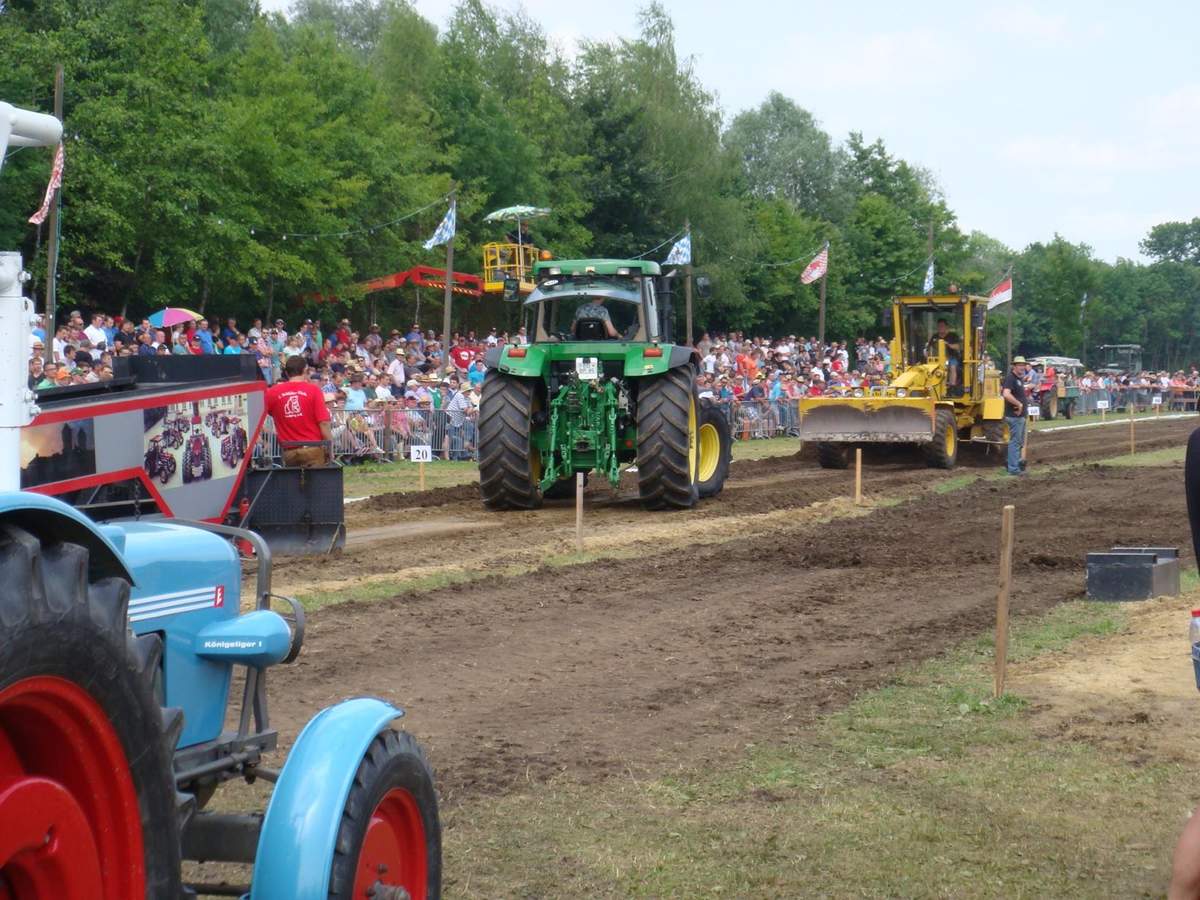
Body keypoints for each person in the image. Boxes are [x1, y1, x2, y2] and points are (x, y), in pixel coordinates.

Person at [266, 355, 333, 467]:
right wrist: (330, 447)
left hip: (289, 452)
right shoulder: (314, 390)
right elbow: (324, 423)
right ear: (305, 370)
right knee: (316, 478)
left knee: (293, 478)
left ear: (286, 373)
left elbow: (258, 417)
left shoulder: (272, 392)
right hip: (312, 449)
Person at [1002, 356, 1029, 476]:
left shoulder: (1019, 379)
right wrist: (1019, 404)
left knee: (1018, 442)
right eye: (1019, 365)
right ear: (1014, 366)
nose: (1022, 367)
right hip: (1014, 416)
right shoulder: (1011, 378)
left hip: (1019, 416)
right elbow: (1006, 394)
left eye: (1023, 365)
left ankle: (1014, 465)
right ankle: (1013, 468)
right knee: (1015, 442)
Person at [927, 318, 961, 389]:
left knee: (952, 367)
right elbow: (929, 348)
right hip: (937, 358)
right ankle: (932, 386)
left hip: (951, 357)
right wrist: (927, 354)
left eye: (942, 326)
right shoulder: (935, 337)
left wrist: (948, 344)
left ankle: (952, 386)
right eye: (939, 326)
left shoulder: (953, 336)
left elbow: (958, 346)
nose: (940, 328)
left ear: (946, 327)